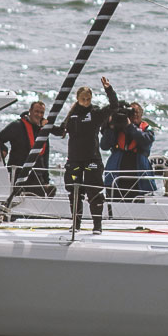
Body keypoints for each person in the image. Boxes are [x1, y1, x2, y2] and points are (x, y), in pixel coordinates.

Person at [52, 77, 121, 233]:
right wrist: (45, 125)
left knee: (94, 192)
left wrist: (108, 89)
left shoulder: (95, 113)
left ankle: (97, 226)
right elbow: (60, 131)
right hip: (75, 159)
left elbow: (114, 106)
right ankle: (76, 225)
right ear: (77, 99)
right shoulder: (72, 115)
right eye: (83, 99)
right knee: (74, 191)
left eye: (88, 99)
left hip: (92, 159)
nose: (85, 101)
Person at [101, 100, 157, 199]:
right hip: (117, 175)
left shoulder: (147, 130)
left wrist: (129, 126)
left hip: (139, 177)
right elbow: (104, 146)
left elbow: (145, 141)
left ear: (141, 114)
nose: (134, 114)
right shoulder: (117, 129)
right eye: (132, 112)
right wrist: (110, 125)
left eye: (137, 112)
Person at [0, 100, 50, 196]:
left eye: (42, 113)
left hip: (37, 176)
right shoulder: (16, 126)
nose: (39, 115)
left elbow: (45, 157)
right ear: (30, 111)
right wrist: (4, 149)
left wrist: (46, 180)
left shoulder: (43, 132)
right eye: (36, 111)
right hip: (18, 174)